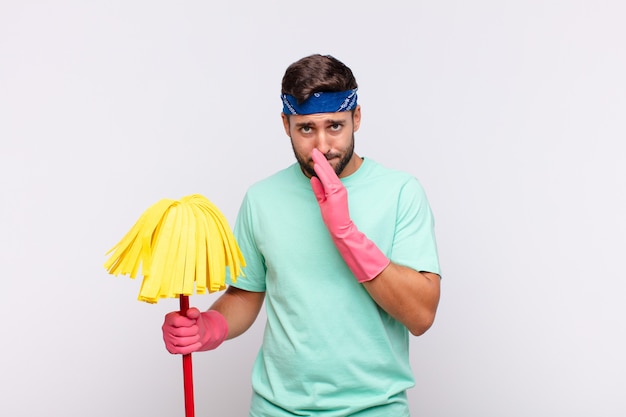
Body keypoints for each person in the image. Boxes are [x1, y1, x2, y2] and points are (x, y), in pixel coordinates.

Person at [162, 54, 441, 417]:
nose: (322, 146)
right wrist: (208, 328)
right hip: (276, 409)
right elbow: (245, 295)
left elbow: (421, 316)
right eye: (306, 129)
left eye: (335, 126)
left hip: (375, 409)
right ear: (286, 124)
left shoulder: (401, 192)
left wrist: (345, 232)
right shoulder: (261, 198)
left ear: (356, 117)